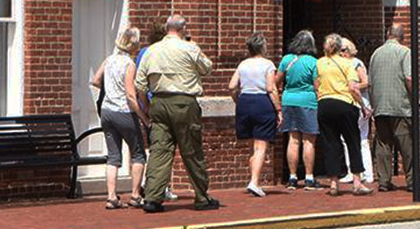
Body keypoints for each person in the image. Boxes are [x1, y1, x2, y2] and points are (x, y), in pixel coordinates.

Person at [134, 15, 218, 212]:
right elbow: (207, 68)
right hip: (184, 102)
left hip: (159, 102)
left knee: (159, 150)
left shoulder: (152, 50)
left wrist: (146, 106)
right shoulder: (189, 48)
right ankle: (202, 196)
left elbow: (140, 84)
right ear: (183, 29)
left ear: (166, 28)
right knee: (192, 150)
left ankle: (152, 198)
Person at [93, 26, 149, 209]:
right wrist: (144, 118)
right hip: (124, 112)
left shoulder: (109, 60)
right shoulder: (129, 64)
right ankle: (134, 195)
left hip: (107, 111)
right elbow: (131, 96)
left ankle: (111, 197)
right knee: (139, 153)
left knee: (113, 156)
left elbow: (95, 80)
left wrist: (109, 90)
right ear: (133, 45)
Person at [314, 33, 371, 197]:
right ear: (340, 48)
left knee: (330, 144)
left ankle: (333, 184)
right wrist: (362, 105)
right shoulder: (347, 64)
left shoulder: (320, 63)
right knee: (353, 142)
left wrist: (321, 97)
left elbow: (316, 84)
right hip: (344, 104)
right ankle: (357, 183)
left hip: (325, 104)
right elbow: (353, 87)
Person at [228, 32, 282, 197]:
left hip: (245, 102)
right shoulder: (268, 64)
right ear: (263, 47)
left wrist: (238, 100)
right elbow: (270, 88)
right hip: (262, 103)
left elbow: (231, 86)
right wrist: (278, 110)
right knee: (261, 146)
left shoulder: (243, 64)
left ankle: (252, 179)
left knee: (252, 146)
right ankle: (254, 181)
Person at [367, 23, 415, 192]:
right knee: (406, 144)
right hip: (400, 105)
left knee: (383, 144)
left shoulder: (376, 54)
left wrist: (373, 104)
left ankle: (384, 181)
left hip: (380, 105)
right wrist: (417, 98)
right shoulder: (405, 52)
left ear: (388, 34)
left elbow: (370, 82)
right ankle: (412, 180)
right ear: (402, 37)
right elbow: (409, 78)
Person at [134, 23, 178, 202]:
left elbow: (139, 80)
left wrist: (144, 108)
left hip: (146, 104)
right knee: (164, 148)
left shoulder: (143, 53)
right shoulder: (163, 52)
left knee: (152, 145)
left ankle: (150, 183)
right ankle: (160, 186)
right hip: (161, 102)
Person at [277, 29, 320, 191]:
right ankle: (309, 178)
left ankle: (292, 177)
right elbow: (317, 86)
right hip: (308, 101)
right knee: (309, 140)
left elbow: (276, 81)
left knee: (293, 139)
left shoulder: (286, 60)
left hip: (289, 99)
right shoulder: (313, 62)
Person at [342, 40, 373, 184]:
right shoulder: (341, 64)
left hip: (360, 102)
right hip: (349, 102)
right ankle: (353, 171)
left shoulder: (356, 63)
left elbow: (366, 82)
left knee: (360, 138)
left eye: (343, 50)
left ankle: (365, 172)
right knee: (348, 139)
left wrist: (352, 86)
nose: (341, 53)